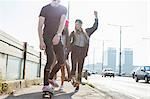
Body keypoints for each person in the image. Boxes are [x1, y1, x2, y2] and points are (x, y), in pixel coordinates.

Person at [38, 0, 67, 92]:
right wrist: (41, 41)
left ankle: (50, 77)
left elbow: (62, 22)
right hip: (46, 36)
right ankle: (46, 85)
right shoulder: (45, 8)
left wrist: (58, 35)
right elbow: (40, 26)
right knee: (50, 59)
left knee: (62, 60)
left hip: (57, 36)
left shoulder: (63, 9)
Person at [69, 11, 98, 91]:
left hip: (82, 52)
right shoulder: (72, 33)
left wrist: (96, 17)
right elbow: (68, 43)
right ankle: (73, 80)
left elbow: (94, 27)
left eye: (78, 24)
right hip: (74, 51)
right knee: (74, 67)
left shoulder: (86, 32)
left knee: (80, 69)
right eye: (76, 24)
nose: (77, 26)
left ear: (81, 25)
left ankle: (78, 83)